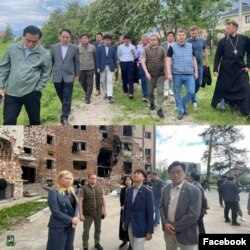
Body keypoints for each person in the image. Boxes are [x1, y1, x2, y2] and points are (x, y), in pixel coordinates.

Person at [0, 25, 51, 125]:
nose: (31, 44)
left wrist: (38, 88)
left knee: (35, 121)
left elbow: (46, 72)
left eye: (34, 41)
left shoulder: (44, 54)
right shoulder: (12, 49)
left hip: (32, 93)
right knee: (8, 122)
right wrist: (0, 86)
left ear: (39, 40)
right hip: (11, 93)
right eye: (28, 40)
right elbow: (3, 68)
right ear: (23, 36)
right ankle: (9, 140)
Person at [211, 21, 250, 116]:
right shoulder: (223, 41)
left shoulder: (244, 39)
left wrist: (248, 65)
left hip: (240, 67)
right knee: (224, 87)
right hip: (226, 68)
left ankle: (246, 109)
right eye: (226, 28)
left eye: (228, 28)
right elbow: (217, 56)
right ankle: (223, 103)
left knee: (245, 88)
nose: (226, 29)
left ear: (235, 28)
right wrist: (215, 69)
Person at [160, 161, 201, 250]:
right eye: (172, 173)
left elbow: (193, 215)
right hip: (168, 232)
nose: (176, 175)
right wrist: (165, 223)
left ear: (184, 173)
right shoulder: (166, 189)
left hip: (186, 233)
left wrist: (173, 227)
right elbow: (162, 207)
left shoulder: (194, 190)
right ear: (169, 175)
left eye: (178, 172)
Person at [167, 29, 198, 120]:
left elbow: (194, 59)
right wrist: (169, 72)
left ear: (185, 36)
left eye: (183, 35)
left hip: (189, 74)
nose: (181, 36)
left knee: (191, 91)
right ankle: (180, 110)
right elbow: (168, 60)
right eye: (179, 35)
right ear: (176, 36)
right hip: (177, 74)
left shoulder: (190, 46)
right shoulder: (172, 47)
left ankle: (182, 104)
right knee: (177, 93)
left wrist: (196, 71)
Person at [51, 29, 79, 125]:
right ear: (59, 36)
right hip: (57, 75)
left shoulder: (74, 48)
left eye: (67, 37)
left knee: (67, 95)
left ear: (70, 38)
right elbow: (50, 62)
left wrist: (77, 75)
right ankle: (67, 107)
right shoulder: (53, 47)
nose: (65, 39)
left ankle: (64, 117)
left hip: (69, 75)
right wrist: (48, 74)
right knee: (61, 95)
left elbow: (76, 62)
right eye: (63, 37)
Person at [122, 169, 154, 250]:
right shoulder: (129, 191)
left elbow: (150, 213)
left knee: (138, 247)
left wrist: (150, 231)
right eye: (134, 173)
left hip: (141, 226)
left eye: (138, 173)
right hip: (129, 224)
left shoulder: (148, 192)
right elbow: (126, 208)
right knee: (133, 245)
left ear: (143, 177)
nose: (135, 175)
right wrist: (124, 221)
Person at [46, 170, 78, 250]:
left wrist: (75, 219)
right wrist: (71, 219)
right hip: (58, 226)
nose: (68, 180)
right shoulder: (53, 192)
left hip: (70, 225)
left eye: (70, 179)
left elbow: (75, 206)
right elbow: (55, 211)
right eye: (66, 178)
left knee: (68, 247)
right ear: (59, 179)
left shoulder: (71, 191)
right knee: (57, 247)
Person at [78, 173, 106, 250]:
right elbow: (80, 201)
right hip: (87, 214)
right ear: (88, 179)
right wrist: (81, 214)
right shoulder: (84, 188)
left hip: (98, 213)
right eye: (92, 178)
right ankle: (85, 246)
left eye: (95, 178)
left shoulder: (100, 188)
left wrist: (104, 210)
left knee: (98, 230)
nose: (94, 179)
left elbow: (103, 199)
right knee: (86, 231)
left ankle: (97, 243)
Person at [141, 34, 167, 119]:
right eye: (151, 40)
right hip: (150, 75)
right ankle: (152, 103)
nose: (153, 41)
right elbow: (143, 61)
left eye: (154, 39)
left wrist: (167, 72)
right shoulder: (146, 50)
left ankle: (159, 108)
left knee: (160, 91)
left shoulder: (162, 49)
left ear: (157, 40)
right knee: (150, 92)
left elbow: (165, 61)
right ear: (149, 41)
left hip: (160, 74)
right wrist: (146, 73)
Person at [187, 26, 209, 108]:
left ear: (197, 32)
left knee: (199, 83)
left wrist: (207, 62)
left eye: (195, 33)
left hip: (200, 65)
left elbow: (205, 51)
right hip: (190, 66)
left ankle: (191, 95)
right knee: (192, 83)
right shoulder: (187, 42)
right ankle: (193, 100)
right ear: (190, 33)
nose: (194, 34)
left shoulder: (202, 41)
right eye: (192, 33)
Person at [96, 34, 117, 103]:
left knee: (110, 80)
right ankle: (105, 93)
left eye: (109, 40)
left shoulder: (112, 48)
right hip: (102, 66)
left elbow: (115, 58)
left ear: (110, 41)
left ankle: (110, 95)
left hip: (110, 66)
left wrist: (116, 67)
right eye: (106, 40)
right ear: (103, 40)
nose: (107, 41)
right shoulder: (99, 48)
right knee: (103, 80)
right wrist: (98, 67)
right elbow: (97, 58)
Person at [78, 34, 96, 104]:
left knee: (90, 83)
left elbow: (95, 57)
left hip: (90, 68)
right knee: (82, 82)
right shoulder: (77, 48)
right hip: (81, 68)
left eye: (85, 38)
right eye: (82, 38)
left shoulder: (92, 47)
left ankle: (88, 97)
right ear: (80, 40)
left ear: (88, 39)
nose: (84, 39)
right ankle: (87, 92)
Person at [117, 34, 136, 99]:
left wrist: (133, 53)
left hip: (130, 63)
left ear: (129, 40)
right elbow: (118, 55)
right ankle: (125, 90)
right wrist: (121, 61)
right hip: (123, 63)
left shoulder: (133, 46)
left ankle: (131, 93)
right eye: (125, 39)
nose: (127, 40)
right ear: (123, 40)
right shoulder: (120, 47)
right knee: (124, 77)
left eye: (128, 39)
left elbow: (135, 57)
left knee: (130, 78)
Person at [119, 176, 133, 249]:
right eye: (126, 180)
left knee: (130, 227)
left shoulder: (133, 189)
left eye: (129, 180)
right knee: (123, 226)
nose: (127, 181)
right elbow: (121, 199)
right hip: (123, 211)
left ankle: (131, 243)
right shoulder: (123, 189)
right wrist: (122, 205)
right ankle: (124, 240)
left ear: (131, 181)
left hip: (131, 212)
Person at [135, 35, 149, 102]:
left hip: (150, 64)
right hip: (141, 65)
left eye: (146, 40)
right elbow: (136, 56)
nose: (144, 41)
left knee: (149, 80)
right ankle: (145, 95)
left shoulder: (150, 46)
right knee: (143, 80)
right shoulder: (139, 47)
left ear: (148, 40)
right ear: (141, 40)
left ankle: (149, 93)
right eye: (143, 40)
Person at [161, 31, 175, 97]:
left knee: (171, 76)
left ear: (173, 37)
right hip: (165, 62)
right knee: (166, 76)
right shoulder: (163, 44)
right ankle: (166, 90)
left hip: (174, 63)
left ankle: (170, 89)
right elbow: (161, 54)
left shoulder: (176, 44)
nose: (170, 37)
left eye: (171, 36)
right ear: (167, 37)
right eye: (168, 36)